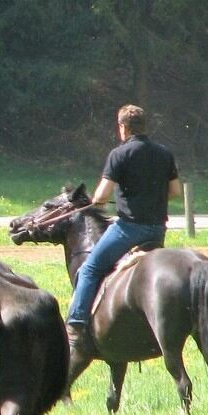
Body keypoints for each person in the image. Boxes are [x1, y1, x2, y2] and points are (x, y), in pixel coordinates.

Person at [65, 104, 181, 348]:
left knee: (89, 269)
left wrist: (97, 200)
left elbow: (101, 197)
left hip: (129, 229)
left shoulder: (119, 154)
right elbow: (175, 191)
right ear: (144, 125)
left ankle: (75, 324)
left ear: (123, 128)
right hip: (158, 230)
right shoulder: (164, 153)